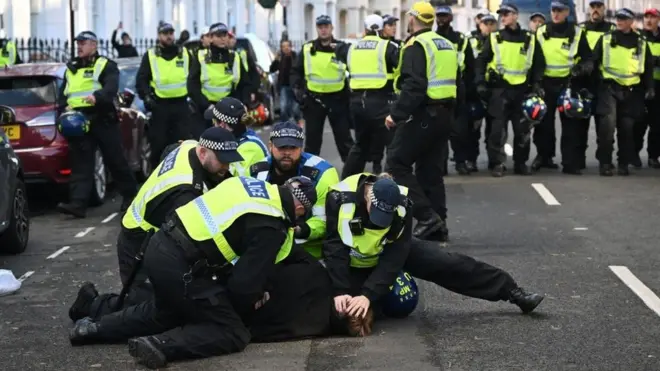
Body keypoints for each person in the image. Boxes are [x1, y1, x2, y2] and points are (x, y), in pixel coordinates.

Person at [69, 175, 318, 369]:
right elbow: (243, 287)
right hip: (183, 265)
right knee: (232, 331)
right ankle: (161, 345)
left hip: (158, 246)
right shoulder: (272, 224)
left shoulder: (250, 185)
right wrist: (244, 305)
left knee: (164, 312)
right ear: (300, 209)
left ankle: (92, 329)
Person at [68, 126, 244, 322]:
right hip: (139, 242)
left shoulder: (190, 146)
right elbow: (188, 241)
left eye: (230, 160)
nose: (227, 167)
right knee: (150, 308)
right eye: (222, 161)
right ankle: (90, 304)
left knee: (158, 302)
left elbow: (169, 150)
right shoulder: (185, 191)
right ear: (203, 153)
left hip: (148, 229)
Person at [323, 173, 545, 321]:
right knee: (344, 311)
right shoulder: (340, 198)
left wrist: (368, 295)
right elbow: (334, 248)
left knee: (449, 263)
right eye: (375, 212)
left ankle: (513, 292)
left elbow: (395, 255)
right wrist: (340, 289)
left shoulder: (402, 204)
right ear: (367, 197)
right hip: (351, 260)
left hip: (387, 252)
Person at [385, 2, 455, 242]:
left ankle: (426, 217)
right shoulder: (445, 43)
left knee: (396, 163)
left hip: (424, 114)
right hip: (444, 114)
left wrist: (396, 115)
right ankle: (439, 225)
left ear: (413, 19)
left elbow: (414, 86)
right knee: (430, 170)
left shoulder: (417, 45)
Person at [56, 31, 138, 218]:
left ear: (94, 45)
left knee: (115, 159)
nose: (79, 46)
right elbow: (64, 93)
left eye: (83, 43)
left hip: (102, 118)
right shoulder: (71, 68)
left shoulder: (106, 65)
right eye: (78, 43)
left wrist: (97, 97)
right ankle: (78, 204)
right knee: (81, 164)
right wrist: (63, 109)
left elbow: (111, 86)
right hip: (79, 121)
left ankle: (131, 197)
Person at [475, 3, 545, 177]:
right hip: (500, 90)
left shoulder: (529, 38)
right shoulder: (495, 38)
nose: (503, 17)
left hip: (522, 91)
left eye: (506, 14)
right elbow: (481, 61)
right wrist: (480, 82)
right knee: (497, 131)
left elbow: (538, 64)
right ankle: (497, 163)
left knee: (522, 131)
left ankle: (520, 163)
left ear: (515, 16)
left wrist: (536, 84)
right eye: (502, 14)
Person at [250, 121, 339, 259]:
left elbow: (324, 220)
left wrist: (301, 230)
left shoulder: (323, 173)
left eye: (293, 147)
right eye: (281, 147)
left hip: (308, 250)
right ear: (270, 146)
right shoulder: (256, 172)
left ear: (301, 148)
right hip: (266, 247)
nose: (287, 153)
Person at [335, 14, 399, 177]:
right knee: (392, 145)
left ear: (364, 29)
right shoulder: (387, 46)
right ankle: (392, 185)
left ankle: (347, 182)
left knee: (360, 146)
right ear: (380, 28)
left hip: (357, 103)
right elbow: (400, 68)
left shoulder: (352, 48)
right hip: (381, 102)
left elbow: (338, 53)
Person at [592, 8, 654, 176]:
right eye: (618, 18)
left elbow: (647, 67)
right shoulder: (606, 39)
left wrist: (650, 88)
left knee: (627, 130)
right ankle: (605, 163)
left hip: (632, 91)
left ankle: (623, 163)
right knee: (607, 128)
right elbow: (593, 60)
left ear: (631, 21)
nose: (619, 21)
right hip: (609, 88)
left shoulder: (641, 42)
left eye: (623, 19)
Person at [533, 2, 593, 174]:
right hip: (546, 83)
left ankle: (570, 162)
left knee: (570, 125)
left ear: (567, 12)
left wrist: (582, 68)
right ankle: (544, 157)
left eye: (560, 11)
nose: (556, 14)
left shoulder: (577, 32)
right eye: (553, 10)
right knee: (543, 124)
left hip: (568, 83)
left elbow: (588, 58)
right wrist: (536, 82)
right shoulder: (541, 31)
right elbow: (534, 58)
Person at [290, 15, 354, 162]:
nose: (324, 30)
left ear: (332, 28)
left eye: (326, 26)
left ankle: (353, 175)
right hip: (314, 100)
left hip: (338, 99)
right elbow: (295, 72)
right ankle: (308, 176)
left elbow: (354, 69)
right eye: (320, 27)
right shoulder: (307, 49)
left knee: (345, 140)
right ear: (317, 29)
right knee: (312, 142)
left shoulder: (342, 48)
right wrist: (299, 93)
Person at [136, 22, 193, 168]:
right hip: (160, 106)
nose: (169, 36)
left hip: (181, 106)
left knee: (183, 144)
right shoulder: (151, 55)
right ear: (159, 35)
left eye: (171, 33)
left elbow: (195, 77)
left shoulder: (185, 53)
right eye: (165, 33)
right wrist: (147, 97)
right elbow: (141, 80)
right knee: (159, 145)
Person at [188, 23, 255, 137]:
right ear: (211, 38)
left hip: (229, 109)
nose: (223, 38)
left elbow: (245, 84)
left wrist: (244, 103)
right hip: (207, 109)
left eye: (225, 35)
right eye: (219, 35)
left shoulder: (234, 57)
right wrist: (206, 104)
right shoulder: (200, 57)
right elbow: (192, 85)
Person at [435, 6, 476, 175]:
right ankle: (441, 166)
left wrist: (471, 93)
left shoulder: (460, 39)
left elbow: (471, 68)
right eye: (439, 16)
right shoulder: (432, 38)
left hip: (459, 91)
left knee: (460, 132)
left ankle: (460, 162)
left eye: (445, 16)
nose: (441, 19)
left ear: (451, 18)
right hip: (437, 92)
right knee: (439, 134)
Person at [579, 0, 616, 168]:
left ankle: (604, 161)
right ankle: (577, 161)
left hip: (603, 83)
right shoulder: (580, 29)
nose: (595, 10)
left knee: (605, 126)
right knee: (579, 125)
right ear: (589, 10)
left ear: (604, 9)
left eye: (598, 7)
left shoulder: (612, 30)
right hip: (582, 82)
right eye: (593, 7)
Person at [205, 98, 269, 176]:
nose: (213, 126)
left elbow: (234, 181)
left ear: (222, 125)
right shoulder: (237, 140)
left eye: (214, 121)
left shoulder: (249, 148)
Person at [467, 13, 497, 170]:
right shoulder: (470, 40)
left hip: (493, 90)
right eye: (486, 23)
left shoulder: (499, 40)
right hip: (475, 91)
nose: (489, 26)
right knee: (473, 130)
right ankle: (471, 160)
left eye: (492, 23)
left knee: (494, 130)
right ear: (480, 24)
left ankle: (493, 160)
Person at [634, 8, 660, 169]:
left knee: (657, 125)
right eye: (647, 17)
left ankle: (653, 156)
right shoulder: (639, 37)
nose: (649, 20)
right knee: (638, 123)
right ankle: (634, 154)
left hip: (659, 86)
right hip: (641, 86)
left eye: (653, 17)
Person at [269, 40, 302, 123]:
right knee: (283, 108)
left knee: (295, 109)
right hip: (283, 86)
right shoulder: (280, 58)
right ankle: (285, 124)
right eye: (283, 46)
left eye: (287, 46)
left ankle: (297, 121)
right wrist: (276, 60)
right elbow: (272, 69)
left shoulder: (296, 57)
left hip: (295, 86)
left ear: (291, 47)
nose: (285, 48)